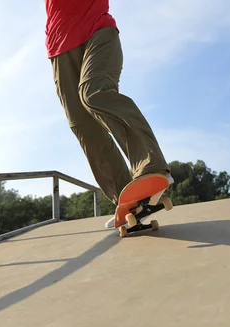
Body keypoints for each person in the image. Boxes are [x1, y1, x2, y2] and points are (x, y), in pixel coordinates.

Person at [44, 0, 173, 227]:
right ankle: (129, 198)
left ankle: (151, 167)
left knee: (93, 92)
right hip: (58, 47)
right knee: (81, 123)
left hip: (98, 32)